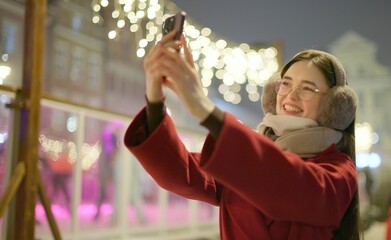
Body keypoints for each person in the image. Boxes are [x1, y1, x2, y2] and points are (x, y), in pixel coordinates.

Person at [124, 30, 361, 239]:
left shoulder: (337, 169)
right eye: (285, 84)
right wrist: (155, 97)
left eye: (307, 88)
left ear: (334, 105)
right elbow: (180, 171)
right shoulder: (245, 157)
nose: (291, 95)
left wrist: (204, 107)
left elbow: (290, 185)